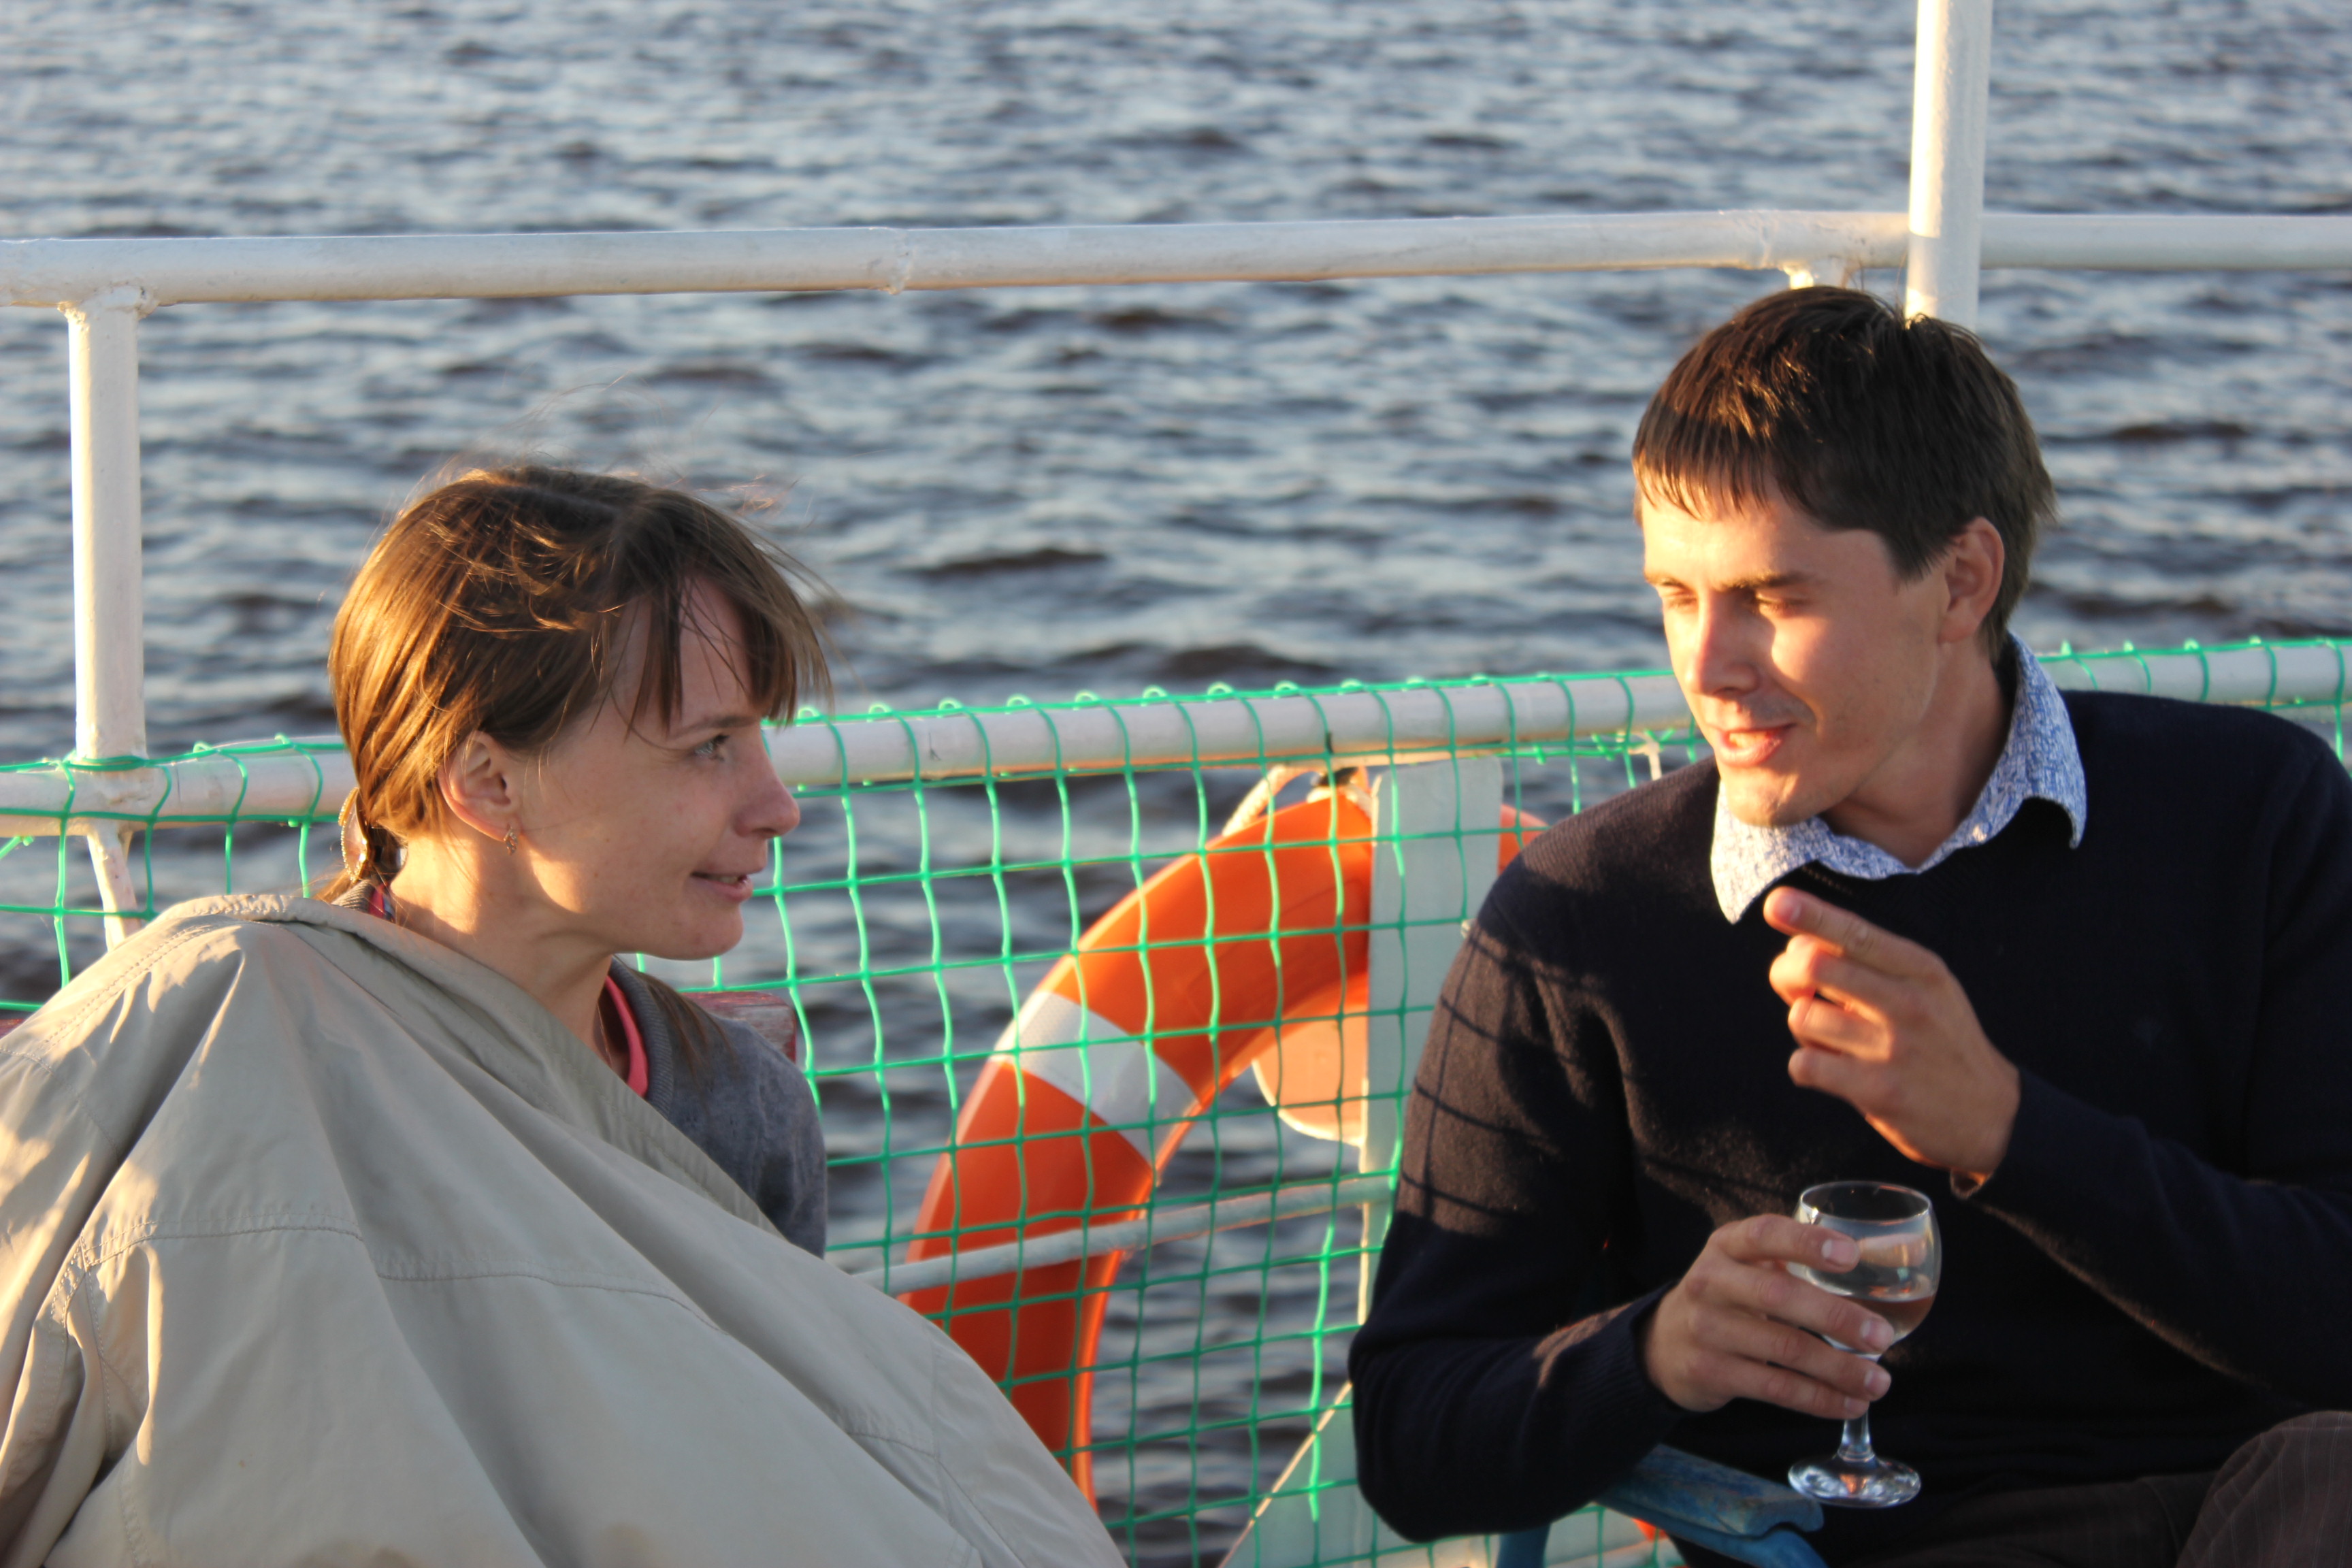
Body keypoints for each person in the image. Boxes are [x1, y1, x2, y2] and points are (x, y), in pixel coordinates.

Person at [1348, 289, 2352, 1566]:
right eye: (1676, 595)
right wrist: (1653, 1354)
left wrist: (2009, 1133)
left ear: (1961, 581)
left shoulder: (2257, 812)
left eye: (1771, 597)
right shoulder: (1583, 917)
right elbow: (1412, 1440)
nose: (1707, 665)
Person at [0, 466, 1122, 1566]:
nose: (778, 806)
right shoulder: (217, 1052)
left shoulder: (743, 1106)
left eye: (759, 741)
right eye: (710, 747)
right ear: (489, 782)